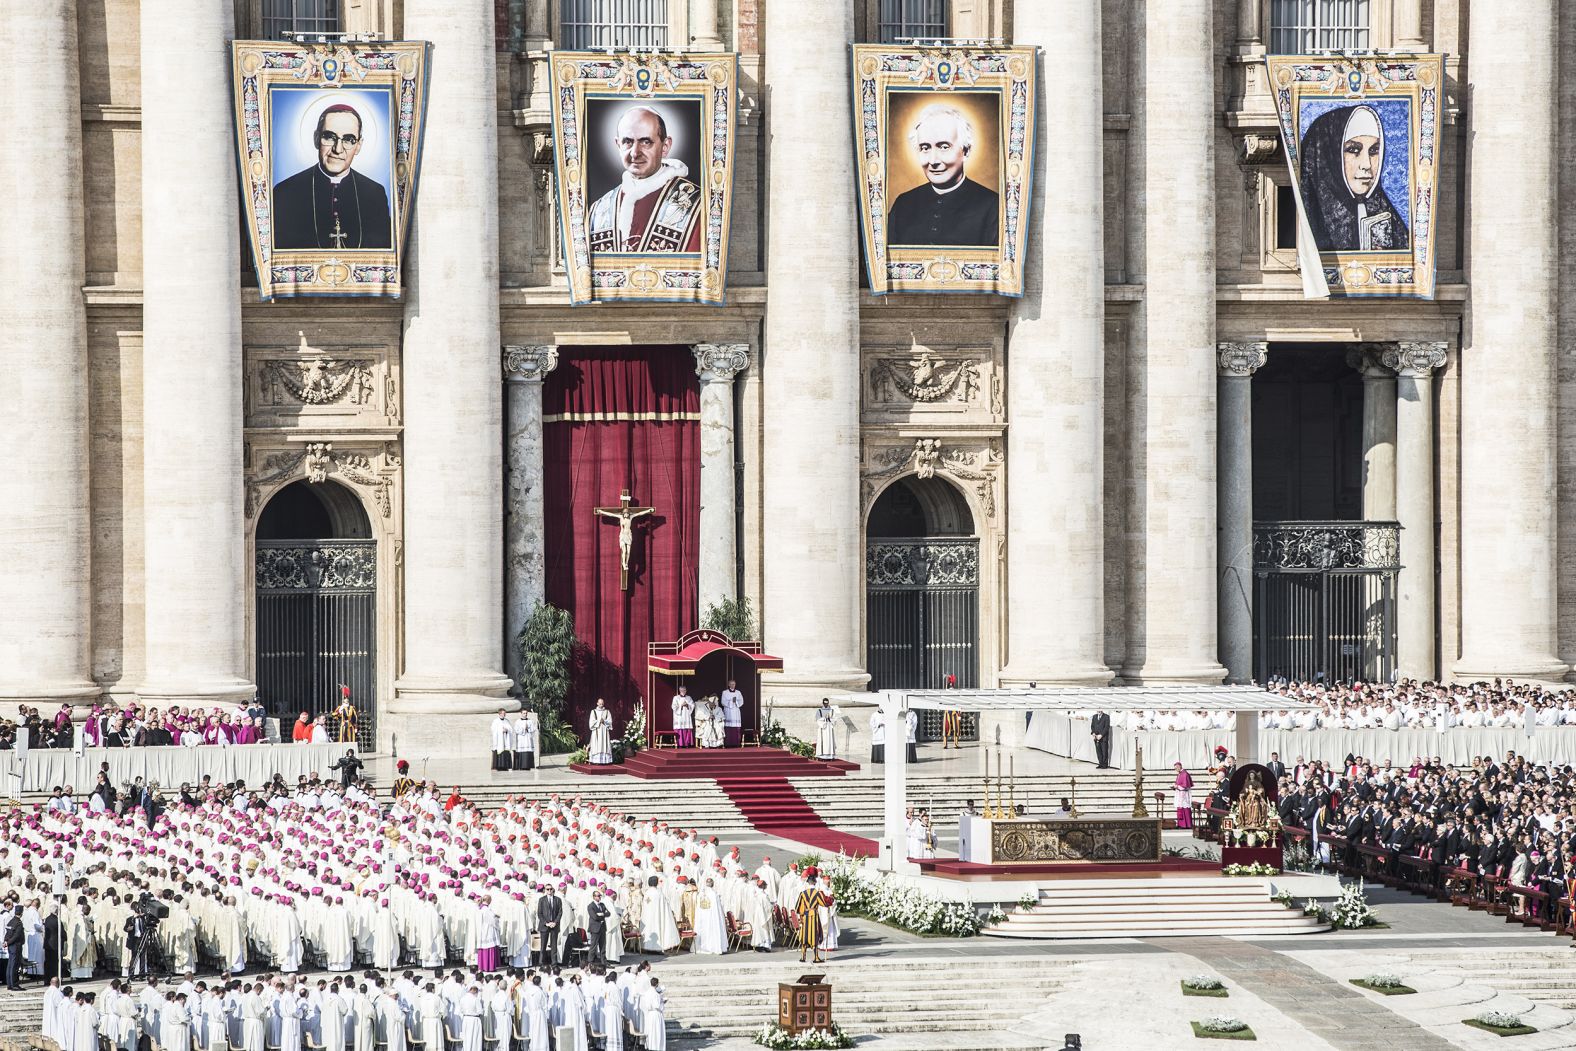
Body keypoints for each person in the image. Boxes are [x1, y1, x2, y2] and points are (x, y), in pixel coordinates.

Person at [272, 103, 393, 251]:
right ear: (316, 139)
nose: (338, 149)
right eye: (329, 137)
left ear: (359, 146)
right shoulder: (285, 192)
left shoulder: (375, 193)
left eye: (349, 140)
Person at [587, 105, 703, 253]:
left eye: (645, 142)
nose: (635, 153)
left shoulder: (698, 205)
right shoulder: (599, 209)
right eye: (627, 142)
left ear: (665, 146)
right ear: (618, 145)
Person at [1298, 104, 1410, 252]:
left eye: (1374, 151)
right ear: (1330, 156)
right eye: (1353, 150)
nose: (1366, 164)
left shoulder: (1385, 213)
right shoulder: (1310, 215)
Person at [887, 103, 1000, 247]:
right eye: (925, 148)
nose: (933, 161)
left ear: (966, 151)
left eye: (944, 147)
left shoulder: (992, 206)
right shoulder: (903, 203)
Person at [793, 868, 831, 965]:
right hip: (814, 916)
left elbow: (798, 907)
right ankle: (816, 957)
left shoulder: (803, 893)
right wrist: (831, 899)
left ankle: (803, 956)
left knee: (805, 936)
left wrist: (801, 916)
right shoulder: (817, 893)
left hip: (805, 916)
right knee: (814, 935)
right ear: (814, 882)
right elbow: (823, 903)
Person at [536, 886, 563, 967]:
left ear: (553, 890)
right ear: (545, 890)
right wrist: (546, 923)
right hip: (545, 926)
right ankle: (541, 963)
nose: (549, 890)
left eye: (551, 889)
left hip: (554, 925)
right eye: (547, 889)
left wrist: (555, 922)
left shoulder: (557, 899)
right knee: (543, 946)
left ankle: (554, 964)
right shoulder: (542, 900)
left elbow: (560, 912)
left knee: (554, 946)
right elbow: (539, 913)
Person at [585, 890, 611, 967]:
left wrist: (602, 914)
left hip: (602, 928)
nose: (599, 897)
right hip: (595, 928)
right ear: (594, 897)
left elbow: (608, 913)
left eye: (600, 895)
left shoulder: (602, 905)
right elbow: (595, 917)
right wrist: (602, 915)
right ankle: (590, 962)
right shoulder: (591, 906)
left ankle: (604, 962)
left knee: (603, 946)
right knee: (593, 946)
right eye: (598, 895)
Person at [587, 699, 615, 765]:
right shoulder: (593, 711)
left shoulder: (607, 712)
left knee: (604, 744)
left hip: (604, 731)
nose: (601, 705)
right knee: (596, 745)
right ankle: (595, 761)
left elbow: (610, 721)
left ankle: (604, 761)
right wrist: (599, 721)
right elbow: (591, 722)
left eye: (602, 703)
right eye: (600, 703)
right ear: (597, 703)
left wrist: (604, 721)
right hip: (596, 731)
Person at [720, 680, 744, 748]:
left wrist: (736, 701)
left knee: (736, 727)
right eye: (731, 684)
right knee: (728, 727)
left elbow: (741, 701)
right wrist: (731, 702)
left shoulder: (738, 692)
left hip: (736, 711)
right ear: (728, 685)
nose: (732, 685)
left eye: (734, 684)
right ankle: (728, 743)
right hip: (728, 711)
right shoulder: (724, 692)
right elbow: (723, 702)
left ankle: (736, 743)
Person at [1173, 762, 1195, 830]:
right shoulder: (1180, 774)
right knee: (1180, 809)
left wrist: (1177, 786)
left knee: (1185, 809)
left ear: (1179, 766)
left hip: (1184, 795)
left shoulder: (1185, 774)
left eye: (1176, 768)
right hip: (1180, 794)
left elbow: (1185, 786)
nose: (1175, 770)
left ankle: (1186, 824)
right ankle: (1181, 824)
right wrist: (1175, 786)